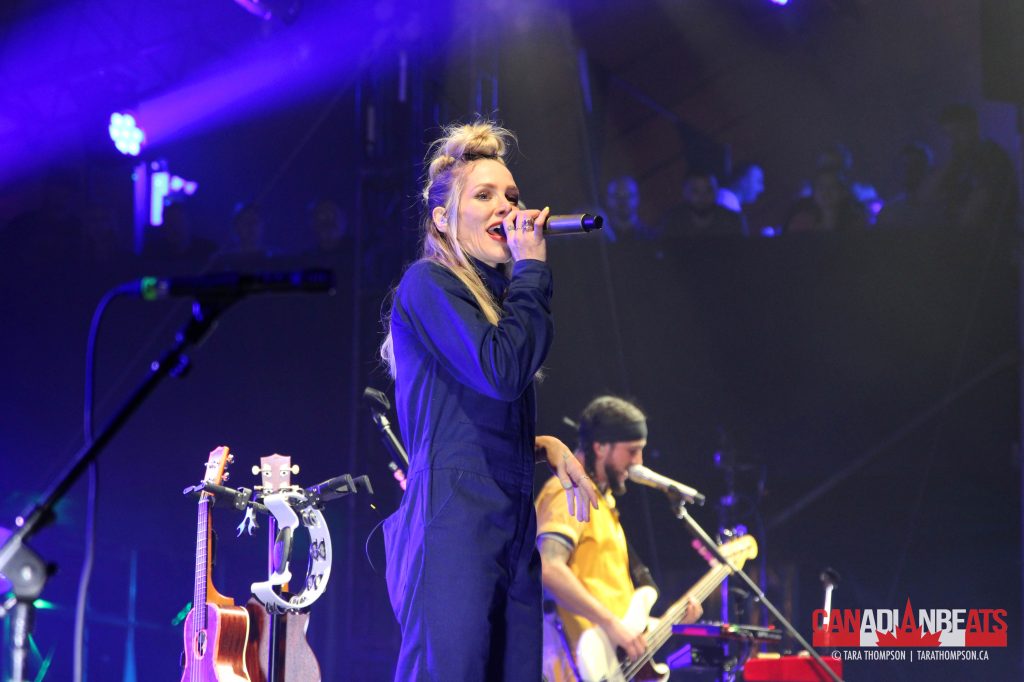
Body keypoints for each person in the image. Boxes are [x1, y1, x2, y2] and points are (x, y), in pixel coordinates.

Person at [380, 119, 599, 681]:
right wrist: (531, 271)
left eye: (512, 196)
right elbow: (502, 373)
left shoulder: (499, 301)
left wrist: (540, 444)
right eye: (484, 195)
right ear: (442, 218)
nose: (506, 206)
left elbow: (473, 413)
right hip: (454, 520)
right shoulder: (428, 283)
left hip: (511, 521)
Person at [536, 396, 702, 681]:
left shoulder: (603, 504)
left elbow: (614, 613)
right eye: (632, 451)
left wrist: (670, 623)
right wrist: (613, 625)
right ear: (600, 447)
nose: (638, 462)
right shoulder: (570, 491)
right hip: (571, 670)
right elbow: (548, 567)